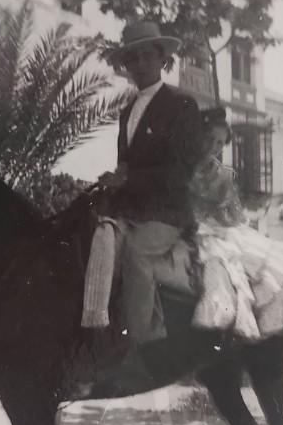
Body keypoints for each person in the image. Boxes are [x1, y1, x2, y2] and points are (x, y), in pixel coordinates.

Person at [80, 19, 205, 350]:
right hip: (131, 211)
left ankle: (145, 345)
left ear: (162, 58)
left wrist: (129, 178)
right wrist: (113, 183)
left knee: (136, 255)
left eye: (146, 56)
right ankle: (94, 337)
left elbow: (181, 171)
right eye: (131, 59)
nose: (138, 64)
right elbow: (128, 166)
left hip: (167, 216)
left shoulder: (182, 104)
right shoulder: (127, 111)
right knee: (91, 243)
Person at [190, 108, 283, 339]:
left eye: (218, 143)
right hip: (188, 227)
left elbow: (234, 216)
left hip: (216, 231)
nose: (212, 147)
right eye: (208, 139)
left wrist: (220, 212)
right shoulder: (182, 168)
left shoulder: (223, 175)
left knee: (243, 268)